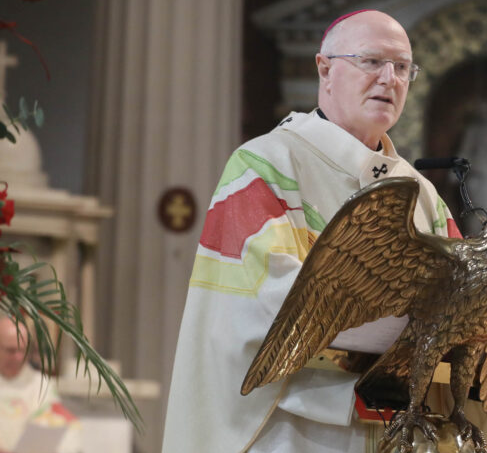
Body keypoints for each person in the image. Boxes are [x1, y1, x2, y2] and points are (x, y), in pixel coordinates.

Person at [162, 10, 460, 452]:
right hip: (298, 432)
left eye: (402, 68)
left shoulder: (423, 195)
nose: (389, 78)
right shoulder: (266, 165)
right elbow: (271, 307)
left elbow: (462, 307)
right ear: (324, 68)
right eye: (372, 61)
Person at [0, 317, 81, 453]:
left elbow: (54, 423)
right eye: (11, 350)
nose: (18, 357)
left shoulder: (40, 384)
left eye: (23, 350)